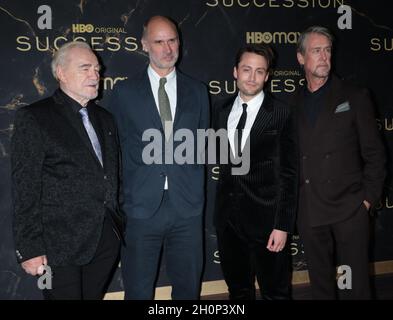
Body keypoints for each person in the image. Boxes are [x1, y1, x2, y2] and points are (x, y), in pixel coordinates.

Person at [11, 41, 124, 300]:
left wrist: (118, 225)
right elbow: (25, 187)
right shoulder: (35, 117)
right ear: (60, 73)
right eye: (85, 68)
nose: (96, 75)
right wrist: (29, 248)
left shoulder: (106, 119)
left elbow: (113, 177)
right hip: (57, 247)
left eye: (97, 69)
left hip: (104, 240)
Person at [108, 16, 209, 300]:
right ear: (144, 45)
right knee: (138, 291)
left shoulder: (198, 91)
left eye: (172, 40)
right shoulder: (124, 93)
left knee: (188, 290)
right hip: (140, 208)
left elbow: (201, 147)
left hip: (187, 209)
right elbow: (114, 149)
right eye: (159, 41)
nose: (167, 48)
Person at [292, 26, 386, 299]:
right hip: (310, 211)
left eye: (328, 50)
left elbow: (375, 154)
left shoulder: (355, 96)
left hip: (349, 209)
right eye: (316, 51)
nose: (324, 57)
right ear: (301, 58)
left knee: (358, 290)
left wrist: (366, 201)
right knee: (321, 288)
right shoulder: (293, 101)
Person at [213, 45, 298, 300]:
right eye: (247, 69)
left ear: (268, 75)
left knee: (275, 293)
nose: (252, 77)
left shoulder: (281, 113)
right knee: (238, 291)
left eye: (259, 71)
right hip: (229, 221)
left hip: (267, 221)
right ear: (235, 72)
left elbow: (289, 174)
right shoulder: (221, 109)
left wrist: (282, 225)